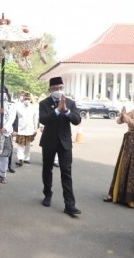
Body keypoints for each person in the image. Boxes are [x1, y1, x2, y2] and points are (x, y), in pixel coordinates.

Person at [103, 83, 134, 208]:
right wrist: (123, 115)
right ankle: (118, 194)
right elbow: (119, 121)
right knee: (124, 165)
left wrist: (125, 116)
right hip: (130, 140)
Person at [39, 77, 81, 216]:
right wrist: (57, 110)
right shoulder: (44, 103)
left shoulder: (70, 103)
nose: (58, 90)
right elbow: (43, 119)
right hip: (49, 141)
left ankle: (69, 204)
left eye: (60, 87)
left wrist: (67, 111)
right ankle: (47, 194)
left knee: (66, 173)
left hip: (65, 143)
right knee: (47, 170)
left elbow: (77, 120)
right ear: (50, 90)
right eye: (55, 88)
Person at [0, 85, 17, 193]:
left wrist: (5, 127)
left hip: (6, 132)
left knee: (4, 157)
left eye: (3, 91)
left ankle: (3, 174)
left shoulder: (12, 105)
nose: (1, 93)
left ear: (7, 92)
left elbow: (12, 117)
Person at [15, 92, 38, 166]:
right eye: (25, 98)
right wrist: (15, 129)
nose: (27, 100)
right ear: (23, 98)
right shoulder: (18, 106)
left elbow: (35, 119)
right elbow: (15, 118)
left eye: (28, 99)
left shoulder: (33, 107)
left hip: (30, 129)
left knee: (28, 145)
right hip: (20, 128)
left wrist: (35, 129)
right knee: (20, 144)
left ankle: (26, 158)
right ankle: (20, 159)